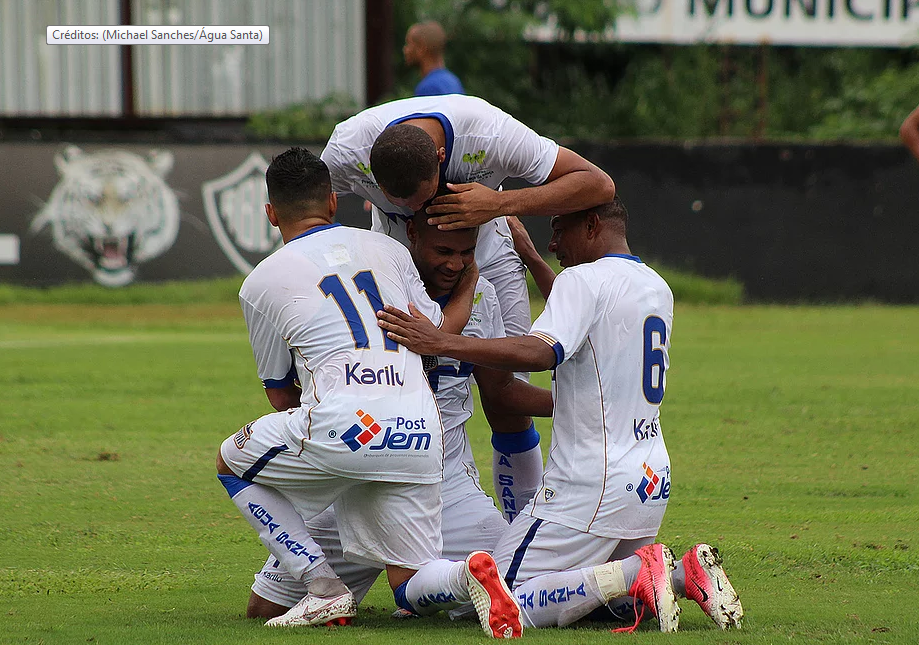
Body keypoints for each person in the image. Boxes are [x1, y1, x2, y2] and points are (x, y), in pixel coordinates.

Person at [378, 197, 744, 632]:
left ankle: (637, 570)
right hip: (650, 480)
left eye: (558, 229)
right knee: (596, 600)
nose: (552, 243)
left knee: (502, 599)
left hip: (589, 483)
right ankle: (684, 575)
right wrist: (532, 260)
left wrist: (441, 343)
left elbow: (542, 351)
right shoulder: (654, 285)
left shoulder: (582, 280)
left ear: (591, 225)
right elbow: (583, 313)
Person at [214, 147, 523, 638]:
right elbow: (436, 333)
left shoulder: (259, 281)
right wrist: (469, 282)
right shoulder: (389, 251)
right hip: (419, 432)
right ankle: (466, 576)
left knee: (229, 461)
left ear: (271, 213)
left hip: (346, 430)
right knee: (409, 584)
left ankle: (322, 588)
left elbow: (279, 397)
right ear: (333, 202)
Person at [321, 94, 616, 521]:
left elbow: (598, 184)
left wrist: (501, 204)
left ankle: (519, 529)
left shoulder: (490, 132)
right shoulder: (348, 148)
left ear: (442, 159)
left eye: (420, 198)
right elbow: (309, 208)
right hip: (397, 260)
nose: (416, 211)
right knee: (396, 383)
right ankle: (399, 492)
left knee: (506, 400)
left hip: (486, 251)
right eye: (400, 203)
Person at [404, 20, 465, 97]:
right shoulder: (453, 81)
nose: (405, 50)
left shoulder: (429, 88)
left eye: (408, 44)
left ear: (421, 48)